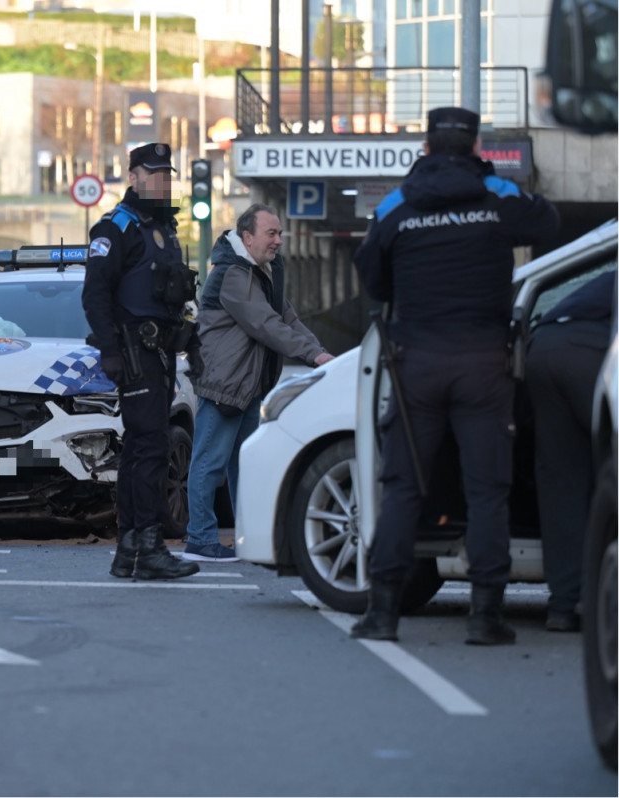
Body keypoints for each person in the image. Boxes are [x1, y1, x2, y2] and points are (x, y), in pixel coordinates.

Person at [352, 106, 560, 644]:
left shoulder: (399, 204)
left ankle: (381, 614)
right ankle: (485, 616)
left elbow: (372, 277)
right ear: (472, 147)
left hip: (415, 363)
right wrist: (487, 177)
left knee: (402, 489)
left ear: (424, 146)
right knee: (488, 491)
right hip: (483, 365)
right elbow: (548, 221)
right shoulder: (495, 195)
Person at [185, 204, 334, 562]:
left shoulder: (263, 270)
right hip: (226, 383)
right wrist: (312, 356)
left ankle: (246, 537)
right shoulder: (233, 274)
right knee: (210, 461)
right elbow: (265, 324)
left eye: (280, 233)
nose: (279, 241)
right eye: (272, 233)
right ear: (247, 237)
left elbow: (288, 318)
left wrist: (322, 353)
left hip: (249, 386)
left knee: (244, 465)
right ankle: (200, 539)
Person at [81, 142, 200, 581]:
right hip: (135, 353)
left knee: (143, 447)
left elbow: (171, 296)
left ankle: (131, 547)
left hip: (162, 353)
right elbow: (94, 295)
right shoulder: (116, 229)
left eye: (167, 173)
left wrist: (192, 339)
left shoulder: (164, 230)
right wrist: (111, 351)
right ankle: (144, 546)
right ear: (133, 177)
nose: (161, 180)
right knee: (147, 447)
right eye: (152, 173)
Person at [527, 270, 616, 632]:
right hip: (595, 352)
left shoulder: (602, 277)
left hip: (544, 348)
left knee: (562, 484)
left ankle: (562, 606)